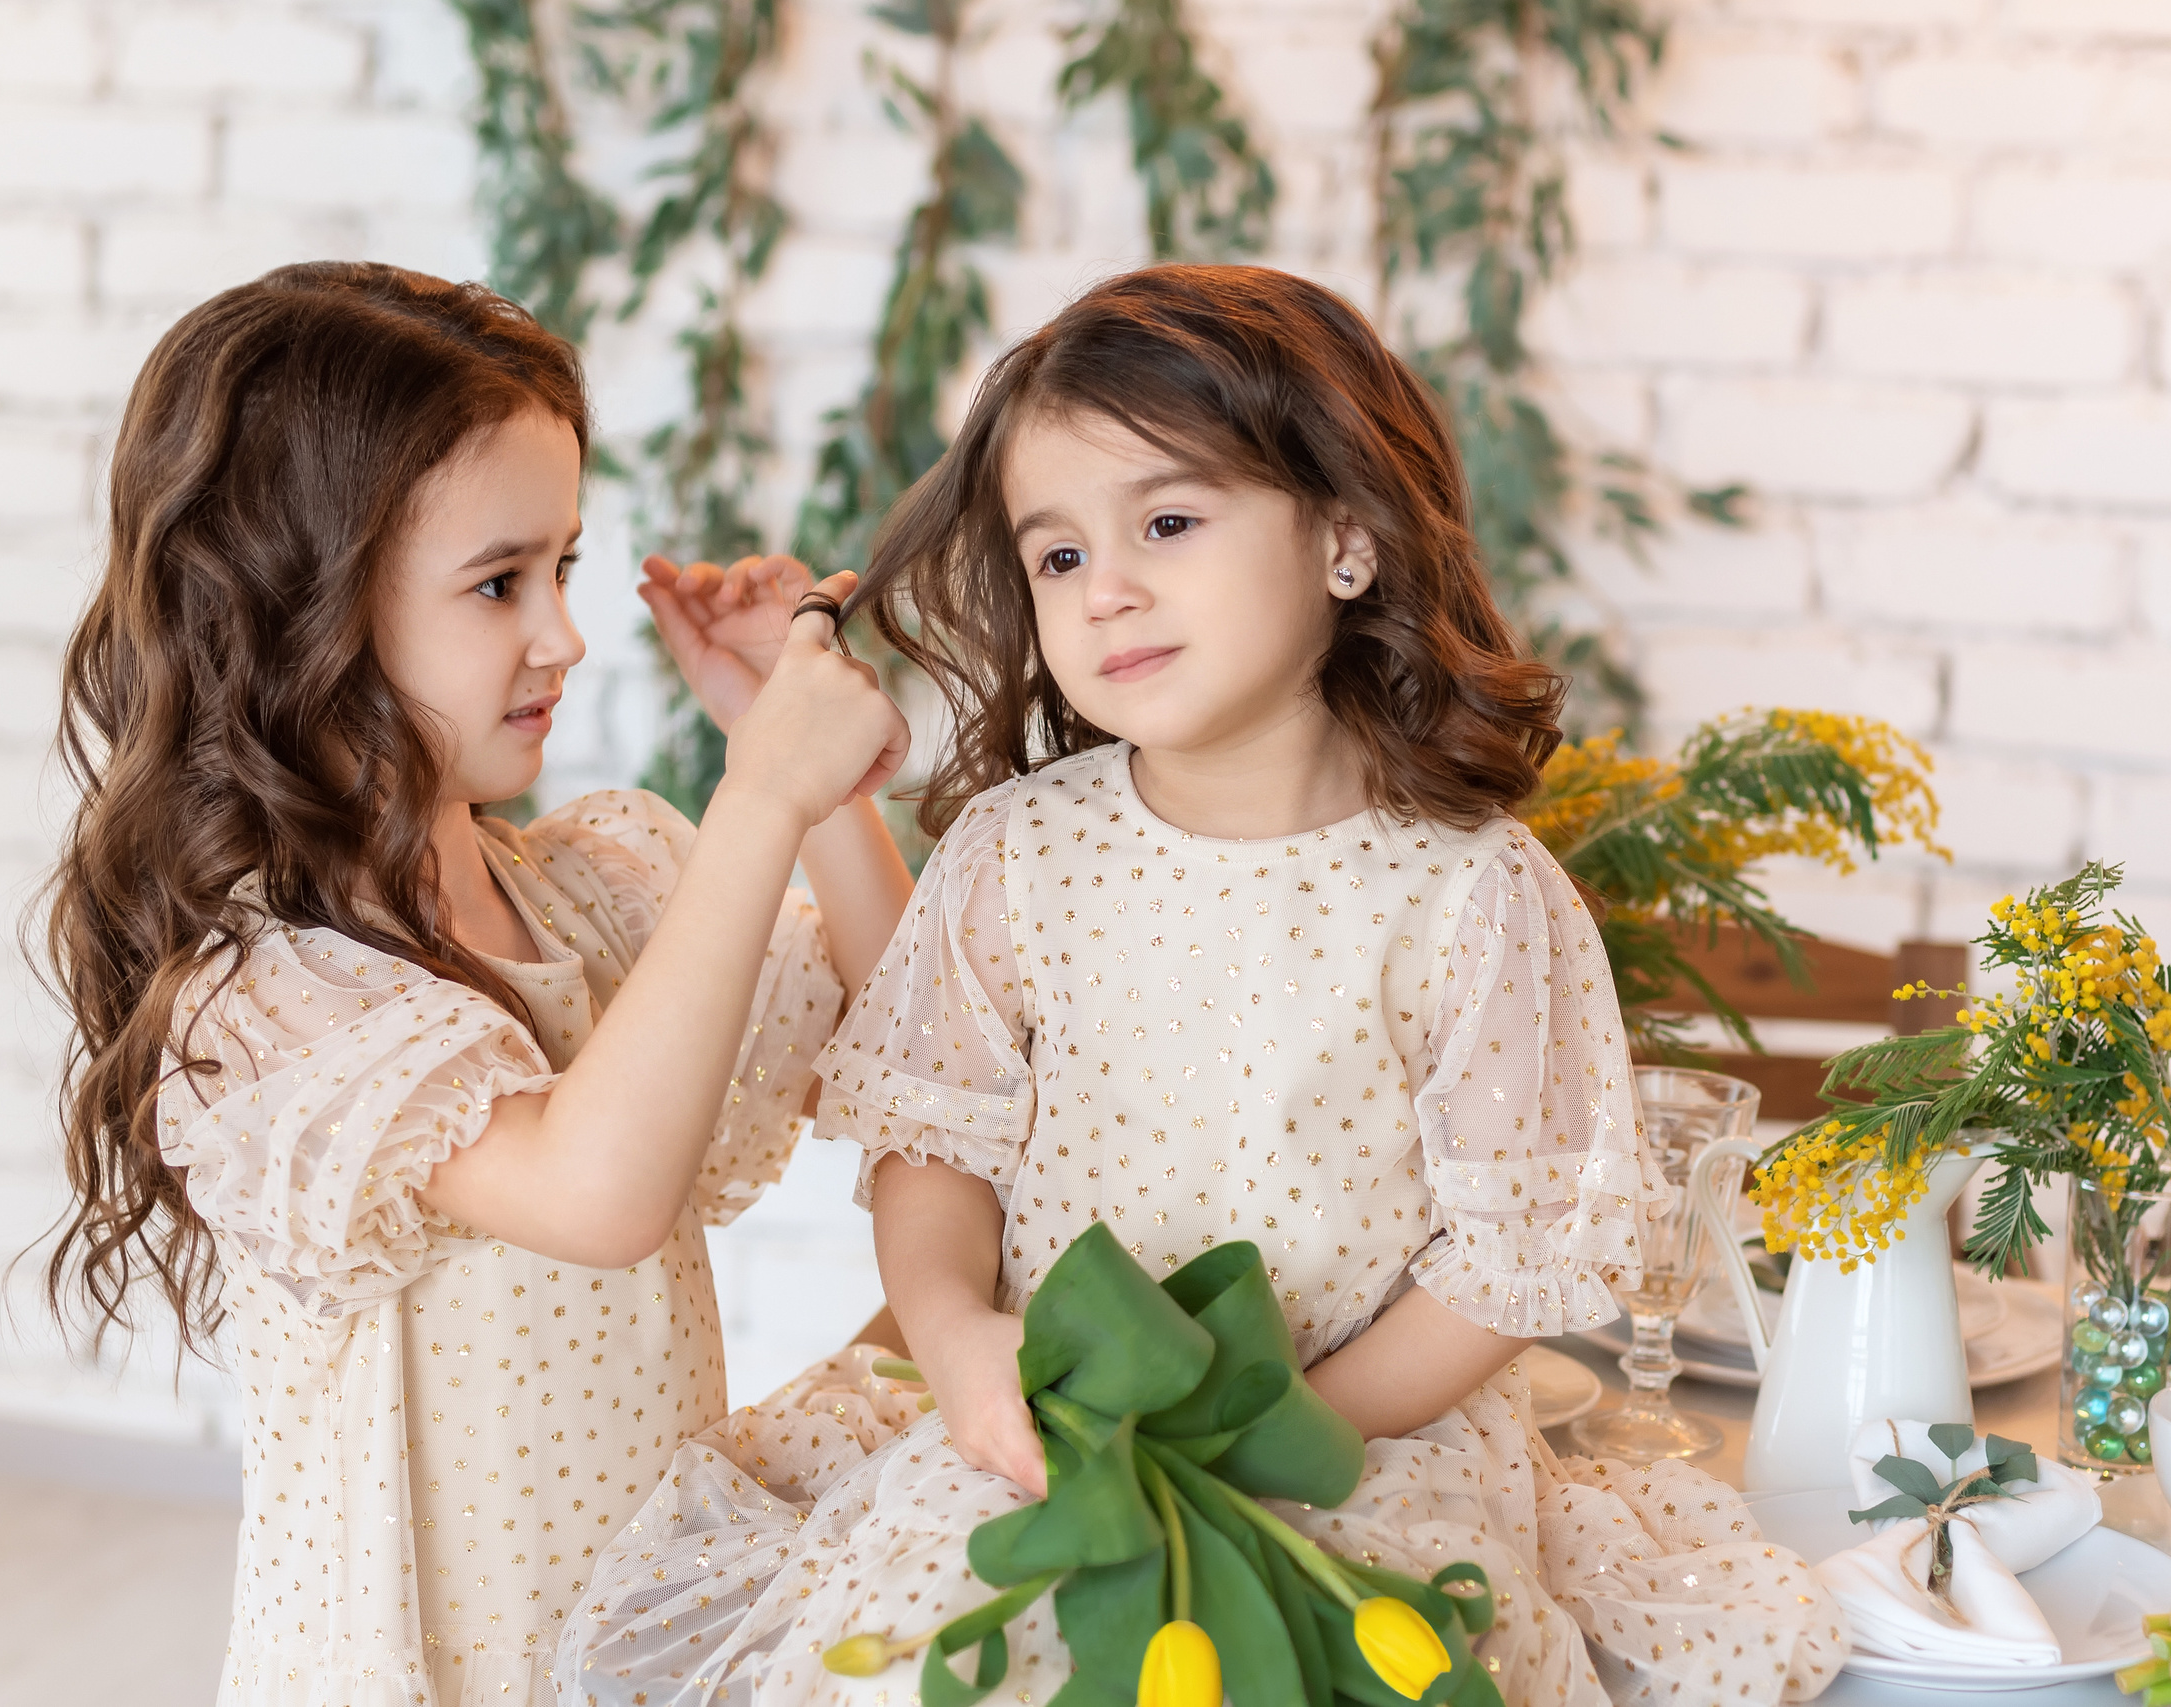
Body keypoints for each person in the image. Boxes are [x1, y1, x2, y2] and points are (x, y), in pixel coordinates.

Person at [560, 266, 1847, 1707]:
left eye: (1167, 523)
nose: (1105, 588)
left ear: (1348, 540)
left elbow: (1505, 1261)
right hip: (1038, 1431)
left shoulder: (1472, 893)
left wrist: (1271, 1430)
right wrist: (954, 1334)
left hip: (1355, 1448)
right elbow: (937, 1148)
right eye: (1056, 557)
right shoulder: (1017, 851)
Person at [41, 262, 915, 1707]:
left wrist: (805, 774)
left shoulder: (589, 888)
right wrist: (757, 805)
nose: (562, 635)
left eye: (564, 568)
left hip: (633, 1626)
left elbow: (912, 1034)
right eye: (498, 581)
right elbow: (599, 1192)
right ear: (299, 607)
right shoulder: (267, 997)